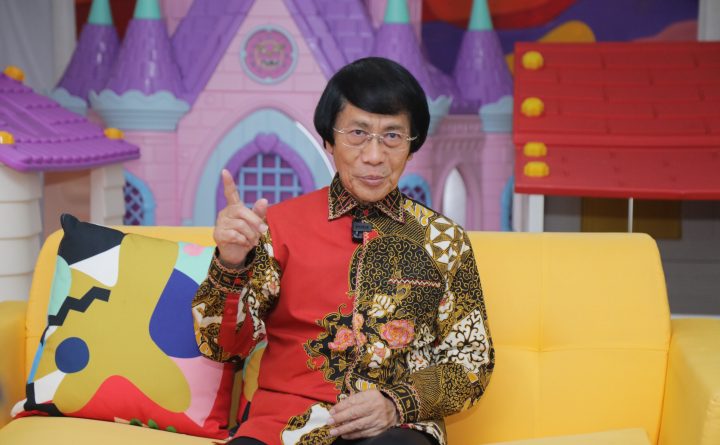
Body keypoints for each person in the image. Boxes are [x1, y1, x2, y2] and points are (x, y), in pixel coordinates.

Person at [191, 57, 494, 445]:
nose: (374, 156)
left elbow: (471, 362)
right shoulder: (275, 228)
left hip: (396, 429)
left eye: (392, 136)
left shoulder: (444, 240)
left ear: (411, 147)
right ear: (329, 141)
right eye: (357, 133)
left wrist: (397, 402)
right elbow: (221, 347)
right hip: (283, 426)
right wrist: (231, 263)